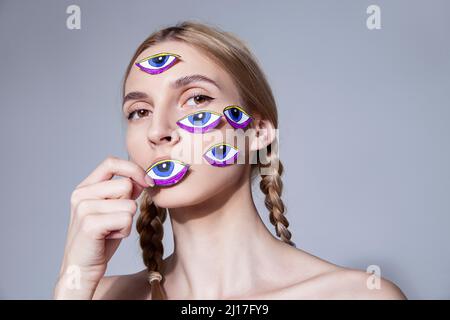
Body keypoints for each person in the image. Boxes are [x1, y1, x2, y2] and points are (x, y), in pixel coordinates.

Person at [53, 21, 406, 300]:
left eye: (196, 99)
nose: (158, 131)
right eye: (140, 111)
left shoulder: (357, 296)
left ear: (258, 132)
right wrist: (75, 280)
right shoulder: (98, 296)